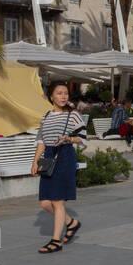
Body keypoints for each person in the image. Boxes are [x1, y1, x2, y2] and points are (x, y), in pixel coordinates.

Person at [31, 81, 87, 254]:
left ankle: (56, 241)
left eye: (65, 93)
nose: (63, 96)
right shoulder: (46, 116)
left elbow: (83, 138)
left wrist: (68, 139)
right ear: (51, 96)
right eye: (59, 93)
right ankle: (71, 223)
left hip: (64, 156)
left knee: (57, 200)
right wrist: (35, 161)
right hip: (48, 157)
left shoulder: (73, 115)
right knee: (45, 202)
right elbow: (41, 141)